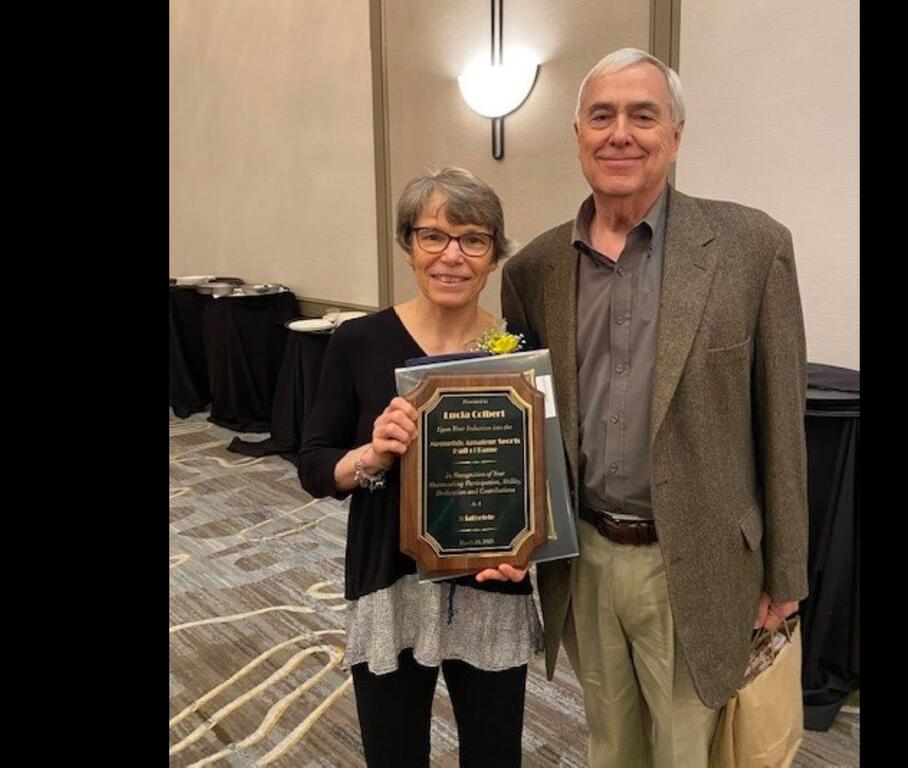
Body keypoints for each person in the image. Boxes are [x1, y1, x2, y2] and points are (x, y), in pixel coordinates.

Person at [501, 48, 809, 768]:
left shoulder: (751, 247)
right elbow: (521, 425)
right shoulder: (535, 269)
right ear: (577, 132)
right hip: (586, 558)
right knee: (610, 745)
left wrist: (787, 577)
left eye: (643, 116)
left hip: (697, 561)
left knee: (685, 751)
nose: (621, 134)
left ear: (675, 133)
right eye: (602, 116)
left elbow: (783, 429)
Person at [299, 167, 541, 768]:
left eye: (473, 239)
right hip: (391, 582)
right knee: (395, 752)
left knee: (493, 753)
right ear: (409, 245)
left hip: (490, 583)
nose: (451, 256)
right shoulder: (357, 341)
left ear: (493, 254)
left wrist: (534, 546)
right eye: (433, 235)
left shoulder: (520, 347)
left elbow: (543, 470)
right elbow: (314, 465)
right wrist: (371, 455)